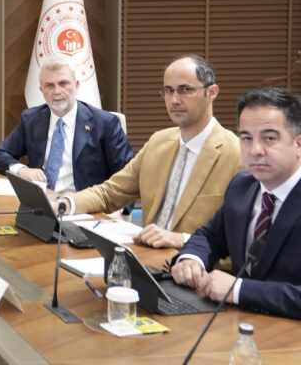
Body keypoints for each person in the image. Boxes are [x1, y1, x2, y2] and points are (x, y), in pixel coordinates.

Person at [61, 55, 243, 248]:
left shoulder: (238, 155)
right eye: (168, 91)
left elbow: (241, 241)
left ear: (211, 92)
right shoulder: (158, 142)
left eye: (185, 90)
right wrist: (65, 204)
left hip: (194, 261)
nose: (174, 100)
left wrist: (181, 239)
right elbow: (110, 193)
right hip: (145, 256)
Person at [171, 87, 301, 319]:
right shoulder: (242, 186)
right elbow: (211, 236)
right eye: (246, 138)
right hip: (236, 322)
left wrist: (239, 290)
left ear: (298, 144)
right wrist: (191, 259)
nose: (255, 150)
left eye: (269, 138)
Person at [0, 58, 133, 192]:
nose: (57, 91)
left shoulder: (104, 123)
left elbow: (129, 175)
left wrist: (116, 207)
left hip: (85, 204)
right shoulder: (32, 120)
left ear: (76, 85)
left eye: (63, 83)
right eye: (49, 85)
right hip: (41, 202)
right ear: (41, 90)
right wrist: (22, 170)